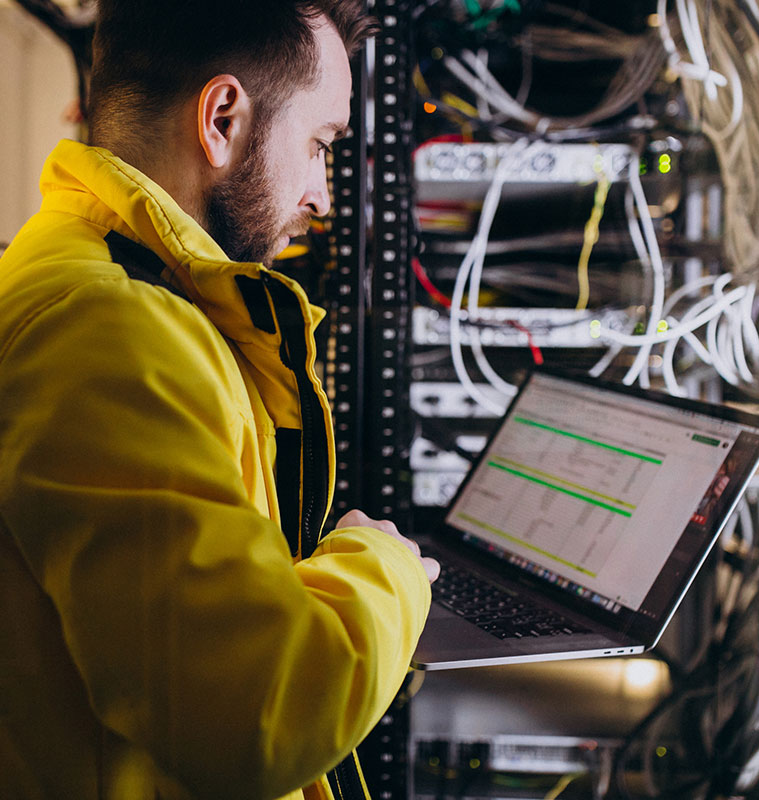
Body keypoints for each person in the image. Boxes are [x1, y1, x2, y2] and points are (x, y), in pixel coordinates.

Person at [0, 1, 439, 798]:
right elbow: (258, 714)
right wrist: (387, 567)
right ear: (223, 118)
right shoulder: (110, 330)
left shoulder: (122, 291)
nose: (325, 196)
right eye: (319, 146)